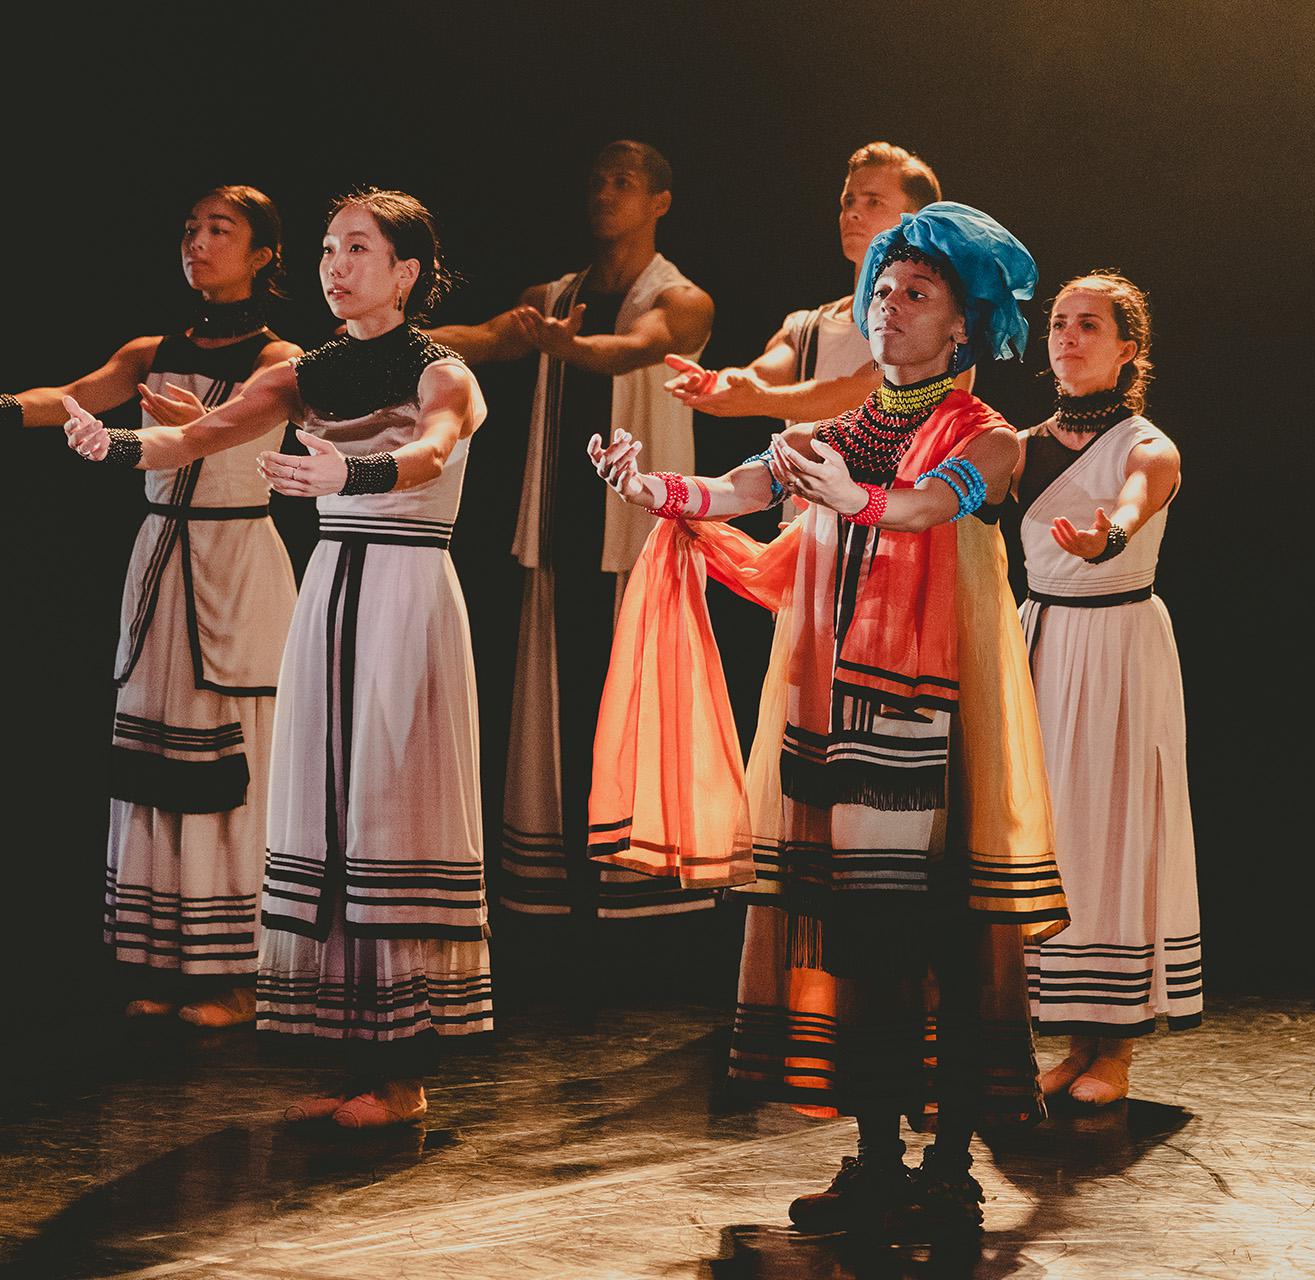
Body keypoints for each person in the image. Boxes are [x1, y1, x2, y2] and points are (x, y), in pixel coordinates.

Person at [585, 202, 1067, 1238]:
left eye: (919, 294)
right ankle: (877, 1152)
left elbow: (933, 504)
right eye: (884, 290)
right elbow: (738, 487)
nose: (891, 307)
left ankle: (946, 1161)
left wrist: (856, 500)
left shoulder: (984, 434)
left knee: (928, 933)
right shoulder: (839, 430)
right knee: (858, 933)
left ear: (965, 327)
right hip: (839, 714)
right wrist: (652, 485)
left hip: (933, 731)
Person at [67, 188, 492, 1129]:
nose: (337, 267)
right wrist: (120, 442)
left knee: (389, 815)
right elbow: (198, 433)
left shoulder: (441, 372)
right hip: (331, 594)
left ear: (408, 272)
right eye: (332, 250)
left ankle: (404, 1071)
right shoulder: (312, 370)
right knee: (329, 815)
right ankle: (352, 1054)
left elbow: (434, 448)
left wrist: (357, 471)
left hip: (406, 597)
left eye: (360, 250)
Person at [5, 186, 298, 1027]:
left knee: (234, 760)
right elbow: (71, 395)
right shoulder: (150, 349)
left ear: (263, 252)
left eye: (220, 231)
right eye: (190, 230)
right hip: (162, 557)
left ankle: (241, 974)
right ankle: (169, 959)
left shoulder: (283, 358)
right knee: (152, 757)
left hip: (237, 562)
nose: (198, 243)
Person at [427, 141, 715, 923]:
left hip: (635, 540)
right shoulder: (554, 294)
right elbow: (485, 340)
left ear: (659, 200)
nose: (604, 190)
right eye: (596, 178)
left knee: (633, 707)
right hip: (560, 531)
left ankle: (643, 903)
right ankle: (565, 899)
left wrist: (572, 348)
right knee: (560, 717)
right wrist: (386, 338)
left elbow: (640, 349)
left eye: (623, 180)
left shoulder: (682, 298)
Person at [1012, 273, 1198, 1105]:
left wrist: (1109, 535)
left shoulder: (1145, 443)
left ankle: (1115, 1046)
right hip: (1041, 640)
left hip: (1119, 642)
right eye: (1057, 323)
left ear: (1128, 349)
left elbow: (1135, 498)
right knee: (1049, 829)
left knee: (1115, 824)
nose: (1068, 337)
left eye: (1089, 324)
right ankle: (1069, 1032)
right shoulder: (1017, 444)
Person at [660, 141, 944, 434]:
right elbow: (757, 376)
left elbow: (866, 394)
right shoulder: (805, 326)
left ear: (916, 223)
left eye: (873, 202)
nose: (852, 214)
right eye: (848, 201)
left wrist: (758, 399)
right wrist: (714, 384)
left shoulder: (939, 324)